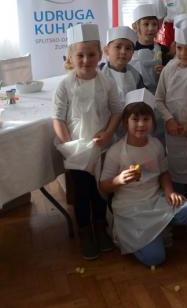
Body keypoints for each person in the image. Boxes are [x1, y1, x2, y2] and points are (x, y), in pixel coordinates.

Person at [99, 89, 187, 267]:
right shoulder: (116, 152)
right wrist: (119, 180)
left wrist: (169, 192)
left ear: (153, 121)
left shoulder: (156, 145)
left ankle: (156, 230)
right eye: (135, 119)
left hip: (155, 200)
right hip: (130, 208)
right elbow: (103, 186)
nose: (141, 124)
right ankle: (128, 236)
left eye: (146, 119)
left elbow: (163, 172)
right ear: (126, 122)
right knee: (155, 258)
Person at [52, 24, 123, 260]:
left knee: (100, 191)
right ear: (70, 57)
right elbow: (58, 118)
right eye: (80, 55)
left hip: (102, 148)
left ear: (100, 55)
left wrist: (108, 133)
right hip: (77, 152)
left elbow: (116, 111)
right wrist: (71, 147)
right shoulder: (64, 85)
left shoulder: (107, 82)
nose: (85, 60)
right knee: (81, 193)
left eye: (91, 54)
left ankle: (101, 227)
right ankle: (84, 231)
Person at [154, 17, 187, 198]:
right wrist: (169, 120)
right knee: (177, 172)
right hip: (174, 132)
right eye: (179, 48)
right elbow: (159, 99)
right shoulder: (169, 68)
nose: (183, 54)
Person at [130, 3, 170, 94]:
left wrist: (165, 71)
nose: (151, 28)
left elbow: (170, 77)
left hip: (159, 95)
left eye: (154, 24)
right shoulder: (129, 50)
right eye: (146, 24)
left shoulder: (163, 50)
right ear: (135, 27)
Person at [100, 26, 144, 103]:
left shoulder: (136, 76)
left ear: (132, 53)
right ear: (106, 50)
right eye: (118, 47)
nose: (123, 52)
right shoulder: (98, 72)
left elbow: (141, 100)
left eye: (128, 48)